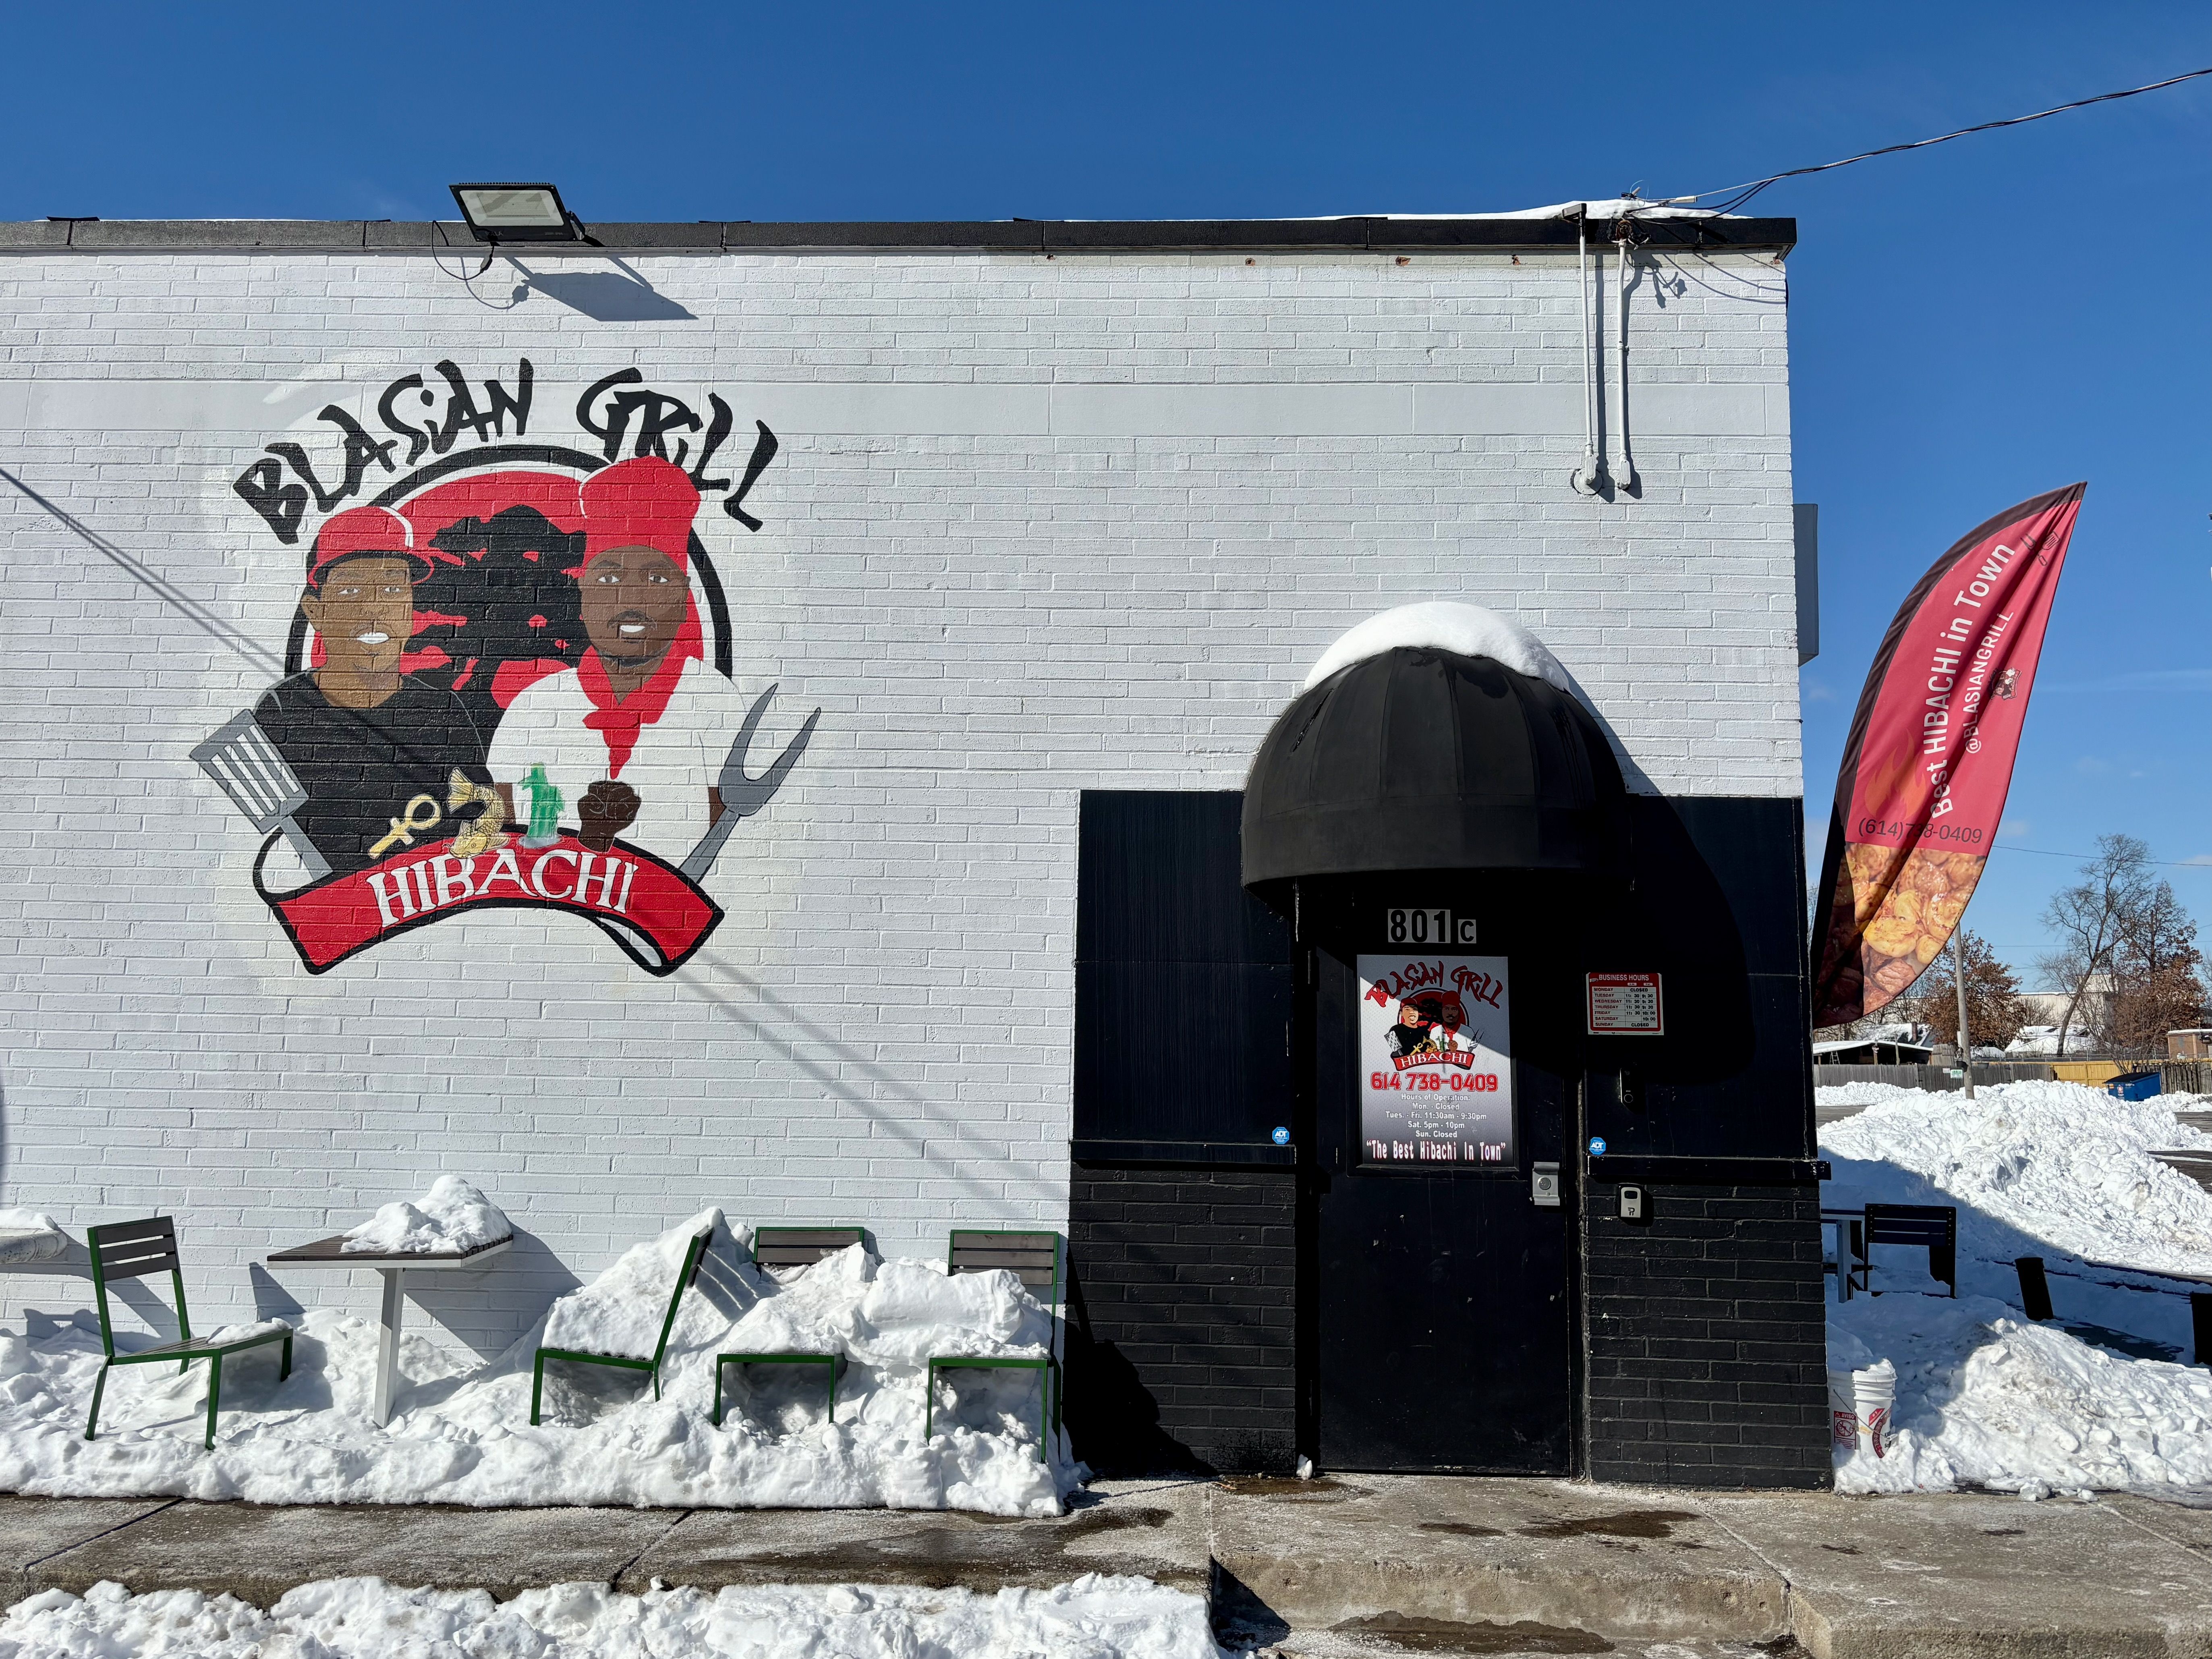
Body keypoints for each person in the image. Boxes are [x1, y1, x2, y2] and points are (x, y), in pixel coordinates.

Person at [487, 456, 750, 864]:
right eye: (609, 579)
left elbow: (729, 845)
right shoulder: (534, 708)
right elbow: (501, 839)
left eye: (655, 579)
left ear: (683, 599)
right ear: (584, 595)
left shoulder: (714, 701)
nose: (630, 599)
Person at [251, 506, 494, 876]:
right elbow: (284, 850)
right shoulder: (280, 712)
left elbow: (485, 819)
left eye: (394, 588)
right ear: (316, 611)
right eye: (350, 589)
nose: (374, 607)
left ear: (410, 611)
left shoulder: (443, 711)